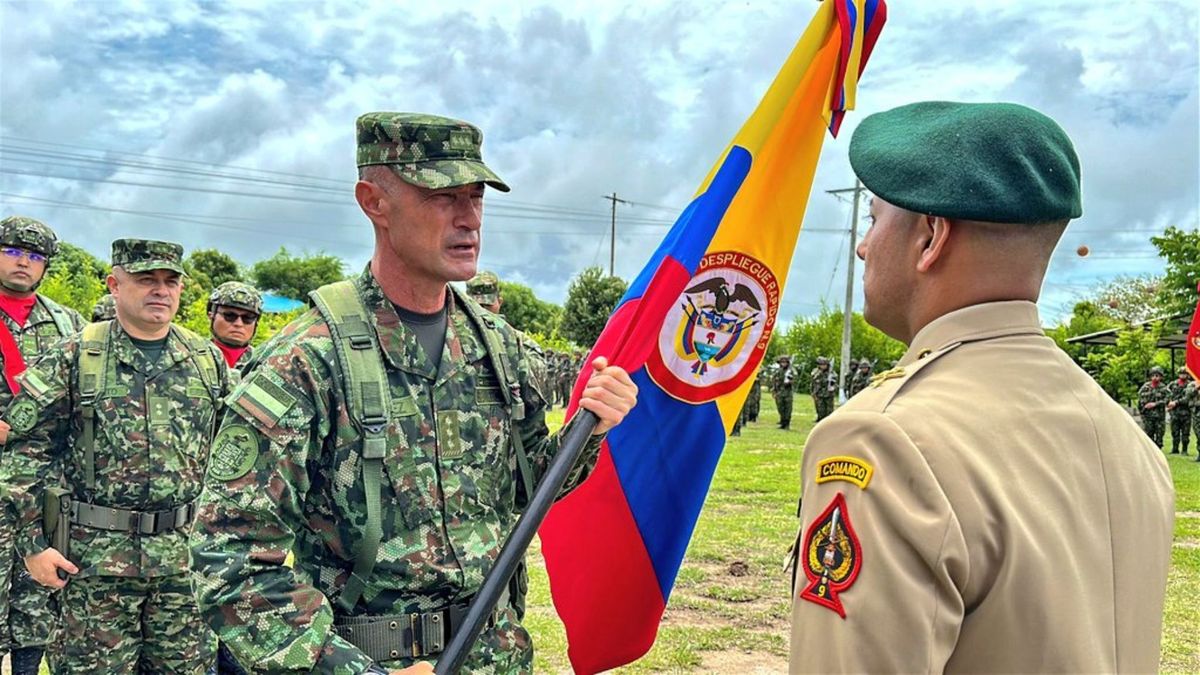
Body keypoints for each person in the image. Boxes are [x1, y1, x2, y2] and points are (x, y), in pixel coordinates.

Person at [188, 112, 638, 675]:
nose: (469, 217)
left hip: (493, 656)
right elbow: (226, 555)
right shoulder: (308, 359)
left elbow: (526, 495)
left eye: (476, 196)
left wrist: (589, 431)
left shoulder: (496, 347)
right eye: (443, 195)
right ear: (373, 200)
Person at [788, 101, 1173, 673]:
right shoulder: (1127, 437)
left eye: (873, 220)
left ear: (931, 238)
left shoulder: (883, 440)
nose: (864, 246)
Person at [0, 238, 231, 674]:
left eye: (170, 281)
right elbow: (25, 453)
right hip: (91, 567)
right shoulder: (76, 355)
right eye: (146, 280)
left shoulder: (206, 360)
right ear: (114, 285)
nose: (160, 290)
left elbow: (230, 460)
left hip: (181, 567)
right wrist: (33, 547)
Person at [0, 216, 85, 675]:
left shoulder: (69, 324)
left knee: (39, 602)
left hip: (44, 486)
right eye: (13, 251)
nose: (23, 262)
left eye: (34, 256)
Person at [207, 281, 263, 372]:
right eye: (229, 316)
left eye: (247, 318)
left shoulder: (264, 365)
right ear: (211, 316)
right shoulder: (189, 357)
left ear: (256, 323)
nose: (239, 324)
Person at [1138, 365, 1169, 448]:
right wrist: (1142, 412)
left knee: (1159, 437)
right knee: (1148, 436)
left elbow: (1167, 400)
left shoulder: (1164, 388)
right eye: (1153, 376)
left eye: (1157, 376)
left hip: (1159, 417)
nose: (1155, 378)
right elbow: (1140, 400)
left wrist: (1155, 404)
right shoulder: (1145, 387)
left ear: (1161, 377)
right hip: (1147, 417)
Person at [1166, 366, 1192, 455]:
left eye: (1184, 374)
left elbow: (1187, 399)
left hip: (1186, 413)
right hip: (1174, 413)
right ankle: (1175, 449)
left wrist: (1175, 402)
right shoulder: (1172, 384)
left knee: (1185, 433)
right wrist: (1168, 403)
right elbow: (1166, 393)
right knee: (1175, 432)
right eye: (1181, 373)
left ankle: (1184, 450)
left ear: (1188, 375)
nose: (1183, 375)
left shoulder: (1190, 385)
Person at [771, 354, 797, 429]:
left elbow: (795, 379)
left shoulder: (791, 370)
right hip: (779, 393)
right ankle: (782, 422)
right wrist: (774, 390)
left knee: (788, 408)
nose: (783, 364)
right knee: (780, 408)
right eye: (782, 362)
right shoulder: (778, 371)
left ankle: (787, 423)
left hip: (788, 393)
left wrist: (789, 381)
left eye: (785, 362)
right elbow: (774, 381)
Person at [809, 356, 836, 422]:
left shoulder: (831, 373)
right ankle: (820, 420)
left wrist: (831, 382)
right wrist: (812, 392)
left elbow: (834, 383)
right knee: (820, 409)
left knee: (829, 410)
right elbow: (813, 382)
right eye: (821, 364)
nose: (822, 366)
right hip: (819, 393)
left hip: (828, 394)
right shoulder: (816, 372)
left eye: (824, 365)